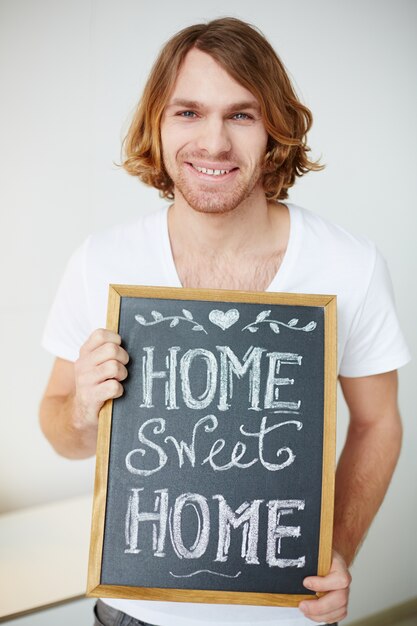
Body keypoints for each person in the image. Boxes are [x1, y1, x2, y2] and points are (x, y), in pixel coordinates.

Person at [39, 17, 410, 626]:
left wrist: (337, 548)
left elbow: (378, 421)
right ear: (156, 125)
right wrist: (82, 408)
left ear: (275, 131)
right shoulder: (101, 261)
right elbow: (58, 426)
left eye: (242, 114)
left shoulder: (350, 265)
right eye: (188, 112)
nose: (214, 143)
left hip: (284, 612)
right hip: (135, 608)